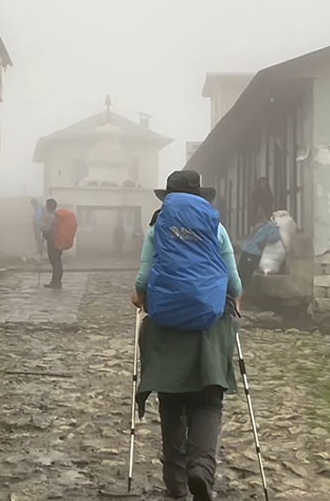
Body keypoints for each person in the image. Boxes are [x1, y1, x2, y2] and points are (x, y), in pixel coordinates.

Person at [132, 170, 242, 501]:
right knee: (209, 400)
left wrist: (138, 295)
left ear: (167, 197)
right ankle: (201, 471)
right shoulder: (215, 226)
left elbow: (144, 276)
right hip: (209, 326)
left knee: (171, 400)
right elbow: (233, 278)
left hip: (167, 326)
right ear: (201, 197)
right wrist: (235, 298)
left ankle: (176, 482)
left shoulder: (158, 226)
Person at [238, 218, 282, 293]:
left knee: (245, 276)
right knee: (239, 274)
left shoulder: (270, 226)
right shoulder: (259, 225)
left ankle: (241, 296)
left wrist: (264, 242)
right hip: (246, 251)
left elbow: (275, 237)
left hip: (253, 253)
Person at [41, 198, 63, 289]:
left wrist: (42, 228)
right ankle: (57, 281)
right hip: (59, 241)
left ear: (48, 206)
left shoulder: (50, 216)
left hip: (52, 241)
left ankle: (55, 282)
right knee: (58, 261)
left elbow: (48, 229)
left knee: (54, 262)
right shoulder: (58, 215)